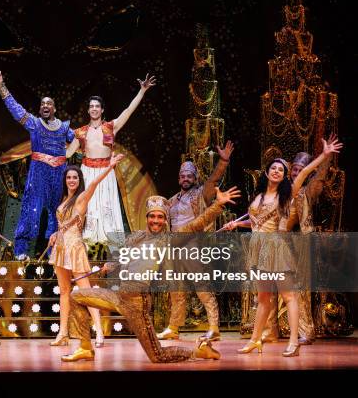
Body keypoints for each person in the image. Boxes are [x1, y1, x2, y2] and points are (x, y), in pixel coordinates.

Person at [62, 185, 240, 362]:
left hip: (137, 304)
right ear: (147, 217)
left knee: (157, 356)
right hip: (118, 297)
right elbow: (123, 257)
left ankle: (199, 352)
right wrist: (111, 264)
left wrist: (218, 204)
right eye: (153, 216)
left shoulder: (167, 240)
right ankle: (85, 347)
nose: (156, 220)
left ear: (165, 220)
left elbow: (196, 225)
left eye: (160, 217)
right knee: (76, 296)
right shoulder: (135, 237)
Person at [226, 137, 343, 357]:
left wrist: (325, 155)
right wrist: (237, 224)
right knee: (263, 299)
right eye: (274, 168)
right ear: (267, 172)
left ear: (284, 175)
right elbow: (256, 222)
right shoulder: (258, 197)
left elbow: (307, 171)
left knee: (289, 296)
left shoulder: (286, 194)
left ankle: (293, 342)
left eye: (281, 169)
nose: (277, 171)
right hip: (258, 249)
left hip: (276, 248)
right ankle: (255, 340)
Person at [0, 69, 74, 260]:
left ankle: (55, 252)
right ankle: (21, 252)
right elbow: (15, 108)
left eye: (48, 103)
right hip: (38, 174)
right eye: (42, 103)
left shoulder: (64, 127)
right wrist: (1, 85)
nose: (45, 105)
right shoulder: (34, 123)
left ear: (54, 108)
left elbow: (81, 138)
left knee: (58, 213)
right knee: (31, 210)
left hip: (58, 175)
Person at [66, 74, 156, 245]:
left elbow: (128, 111)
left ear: (102, 110)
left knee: (107, 210)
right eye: (91, 106)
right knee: (88, 208)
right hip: (87, 172)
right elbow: (68, 154)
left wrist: (142, 91)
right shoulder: (81, 132)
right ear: (88, 110)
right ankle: (82, 250)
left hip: (106, 171)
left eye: (97, 106)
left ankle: (114, 253)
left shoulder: (111, 127)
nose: (94, 109)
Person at [157, 141, 234, 342]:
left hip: (193, 246)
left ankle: (214, 327)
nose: (185, 178)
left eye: (189, 175)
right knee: (177, 290)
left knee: (202, 287)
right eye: (182, 175)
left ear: (195, 177)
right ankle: (173, 327)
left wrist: (223, 161)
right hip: (174, 248)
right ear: (178, 178)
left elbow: (213, 180)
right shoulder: (171, 200)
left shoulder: (201, 194)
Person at [47, 153, 124, 348]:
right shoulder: (64, 199)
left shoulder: (82, 197)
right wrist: (56, 234)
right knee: (64, 292)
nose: (71, 180)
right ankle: (63, 333)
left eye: (75, 177)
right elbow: (63, 224)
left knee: (86, 292)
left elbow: (94, 184)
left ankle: (98, 332)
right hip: (60, 248)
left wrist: (110, 166)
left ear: (79, 180)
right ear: (65, 181)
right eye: (69, 177)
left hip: (74, 248)